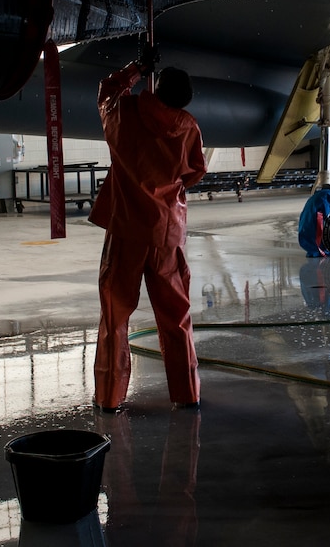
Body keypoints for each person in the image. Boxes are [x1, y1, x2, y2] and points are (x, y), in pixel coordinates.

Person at [88, 50, 206, 413]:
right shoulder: (188, 127)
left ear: (157, 88)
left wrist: (135, 68)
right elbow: (194, 173)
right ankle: (187, 393)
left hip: (126, 232)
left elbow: (106, 92)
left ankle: (109, 397)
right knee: (176, 317)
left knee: (115, 316)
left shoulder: (123, 115)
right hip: (167, 234)